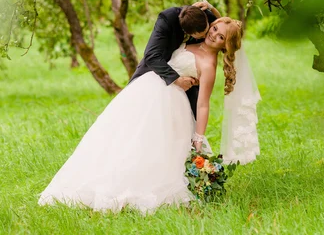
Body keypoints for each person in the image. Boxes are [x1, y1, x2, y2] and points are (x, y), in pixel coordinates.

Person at [38, 17, 259, 213]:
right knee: (119, 134)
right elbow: (208, 17)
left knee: (149, 144)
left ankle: (134, 187)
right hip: (146, 88)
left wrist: (198, 139)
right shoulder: (192, 40)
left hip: (170, 102)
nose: (213, 35)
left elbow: (203, 105)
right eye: (214, 29)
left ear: (225, 46)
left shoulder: (208, 65)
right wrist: (209, 8)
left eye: (221, 37)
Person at [130, 1, 220, 119]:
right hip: (159, 71)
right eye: (201, 36)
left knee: (189, 119)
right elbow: (151, 55)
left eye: (207, 31)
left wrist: (211, 7)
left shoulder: (204, 16)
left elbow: (226, 26)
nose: (206, 37)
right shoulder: (167, 19)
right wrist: (176, 79)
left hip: (190, 80)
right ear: (189, 33)